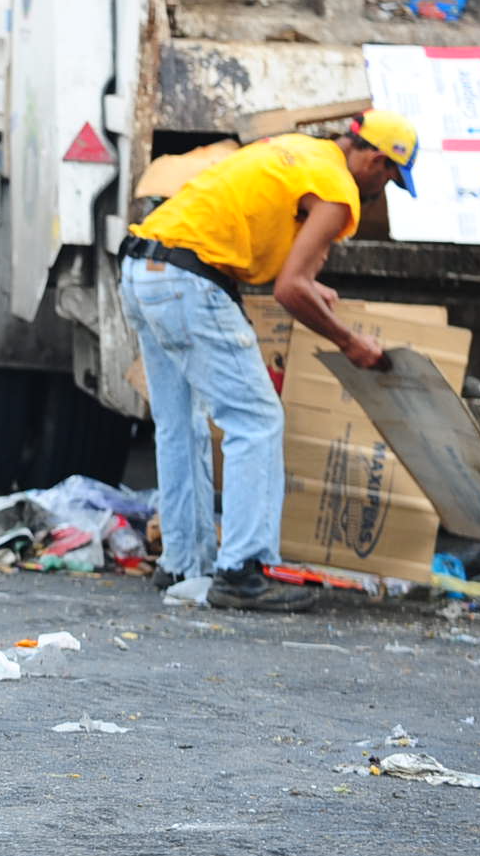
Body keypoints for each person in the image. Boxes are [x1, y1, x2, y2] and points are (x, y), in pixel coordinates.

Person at [120, 112, 420, 612]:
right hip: (187, 282)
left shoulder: (298, 151)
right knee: (256, 421)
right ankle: (242, 571)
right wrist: (350, 343)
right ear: (374, 157)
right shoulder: (338, 190)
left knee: (180, 423)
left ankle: (182, 562)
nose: (383, 187)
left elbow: (271, 251)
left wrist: (307, 286)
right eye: (389, 175)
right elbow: (289, 290)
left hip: (141, 268)